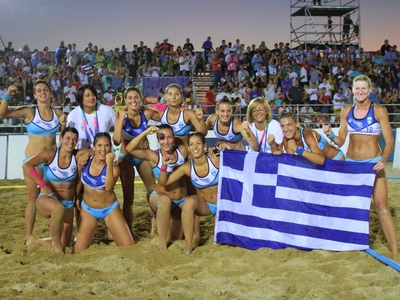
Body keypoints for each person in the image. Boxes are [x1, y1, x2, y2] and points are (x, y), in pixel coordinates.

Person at [322, 75, 398, 258]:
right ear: (352, 90)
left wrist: (383, 160)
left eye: (364, 88)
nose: (361, 91)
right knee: (349, 205)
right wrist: (330, 134)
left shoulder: (378, 110)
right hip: (352, 165)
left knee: (381, 207)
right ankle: (349, 244)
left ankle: (395, 251)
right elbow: (340, 141)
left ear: (370, 90)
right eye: (357, 89)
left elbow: (389, 141)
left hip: (373, 164)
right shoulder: (346, 110)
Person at [0, 80, 66, 245]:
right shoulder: (30, 112)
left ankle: (53, 235)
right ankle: (29, 236)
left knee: (55, 198)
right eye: (39, 90)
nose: (43, 92)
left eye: (46, 89)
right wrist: (7, 96)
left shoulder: (57, 112)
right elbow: (3, 113)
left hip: (51, 163)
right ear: (35, 94)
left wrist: (64, 125)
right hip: (32, 163)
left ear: (50, 93)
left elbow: (64, 137)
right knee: (32, 199)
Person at [125, 125, 189, 251]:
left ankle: (161, 220)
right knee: (165, 201)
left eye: (169, 137)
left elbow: (199, 152)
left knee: (177, 237)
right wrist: (146, 132)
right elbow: (129, 148)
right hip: (160, 197)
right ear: (158, 140)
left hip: (180, 199)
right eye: (162, 138)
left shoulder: (182, 151)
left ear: (173, 138)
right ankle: (162, 245)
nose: (166, 141)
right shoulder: (153, 156)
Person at [158, 132, 221, 254]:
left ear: (204, 145)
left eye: (198, 143)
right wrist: (164, 167)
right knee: (188, 203)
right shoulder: (186, 167)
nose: (195, 147)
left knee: (221, 243)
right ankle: (188, 244)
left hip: (222, 205)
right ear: (188, 148)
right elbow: (164, 183)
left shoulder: (216, 159)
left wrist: (224, 148)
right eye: (191, 144)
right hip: (206, 205)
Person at [22, 127, 81, 253]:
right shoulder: (50, 154)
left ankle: (35, 240)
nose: (71, 141)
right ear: (61, 139)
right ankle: (57, 249)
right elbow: (27, 166)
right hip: (48, 199)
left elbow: (93, 152)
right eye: (68, 138)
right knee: (57, 208)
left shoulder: (77, 156)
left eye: (74, 139)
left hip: (68, 202)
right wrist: (41, 184)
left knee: (64, 241)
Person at [113, 87, 161, 234]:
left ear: (140, 98)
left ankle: (155, 221)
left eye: (136, 97)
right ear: (125, 100)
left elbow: (166, 116)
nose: (133, 100)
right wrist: (120, 118)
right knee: (129, 198)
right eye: (130, 98)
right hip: (126, 158)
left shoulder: (146, 113)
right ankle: (129, 230)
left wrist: (156, 107)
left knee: (152, 190)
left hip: (142, 156)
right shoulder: (122, 116)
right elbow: (116, 141)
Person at [74, 132, 134, 251]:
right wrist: (76, 196)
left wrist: (109, 164)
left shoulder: (115, 168)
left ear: (110, 148)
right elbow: (78, 180)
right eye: (100, 145)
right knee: (78, 250)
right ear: (94, 147)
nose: (103, 149)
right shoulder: (85, 160)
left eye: (106, 146)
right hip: (88, 209)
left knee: (129, 248)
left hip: (109, 209)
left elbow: (108, 187)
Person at [66, 84, 116, 149]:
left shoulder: (107, 110)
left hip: (103, 154)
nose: (91, 97)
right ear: (80, 98)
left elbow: (120, 127)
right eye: (87, 95)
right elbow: (68, 138)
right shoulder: (73, 115)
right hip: (83, 155)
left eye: (93, 94)